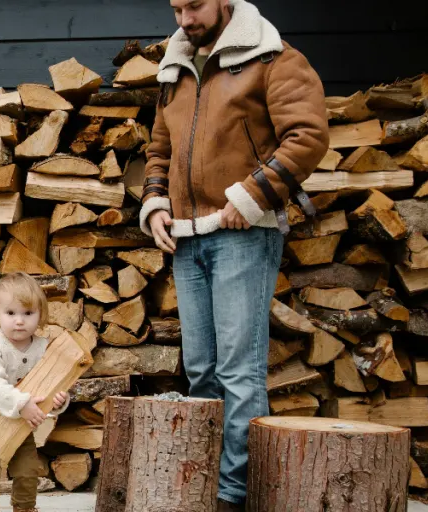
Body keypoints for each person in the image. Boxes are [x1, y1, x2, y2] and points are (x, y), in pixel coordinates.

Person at [138, 0, 329, 509]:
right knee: (201, 369)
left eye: (194, 7)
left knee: (239, 374)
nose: (184, 20)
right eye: (176, 8)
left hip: (244, 233)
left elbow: (307, 137)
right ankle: (205, 486)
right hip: (186, 235)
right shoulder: (176, 66)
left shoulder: (273, 57)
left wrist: (252, 195)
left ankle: (232, 496)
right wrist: (156, 203)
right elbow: (160, 149)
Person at [0, 272, 70, 512]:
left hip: (18, 424)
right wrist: (21, 404)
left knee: (28, 469)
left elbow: (49, 382)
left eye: (28, 313)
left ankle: (25, 507)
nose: (19, 321)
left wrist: (58, 400)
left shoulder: (41, 348)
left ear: (40, 315)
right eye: (11, 313)